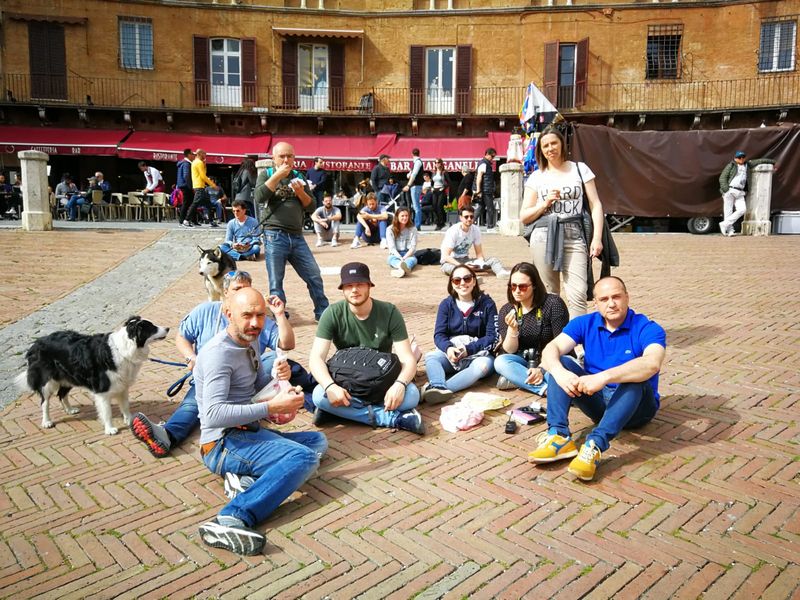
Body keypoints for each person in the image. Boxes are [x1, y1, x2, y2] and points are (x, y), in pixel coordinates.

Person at [195, 287, 327, 555]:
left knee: (317, 440)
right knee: (303, 459)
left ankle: (243, 477)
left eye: (260, 315)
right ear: (228, 313)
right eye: (247, 315)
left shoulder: (249, 341)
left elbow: (252, 391)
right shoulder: (218, 354)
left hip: (248, 432)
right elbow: (213, 414)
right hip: (223, 442)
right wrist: (272, 405)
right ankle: (232, 517)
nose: (255, 323)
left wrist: (279, 380)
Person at [130, 270, 299, 459]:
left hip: (244, 378)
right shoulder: (204, 311)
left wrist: (280, 315)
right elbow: (182, 337)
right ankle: (167, 435)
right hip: (211, 377)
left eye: (246, 289)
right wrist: (191, 358)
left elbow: (286, 345)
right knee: (193, 405)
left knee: (274, 361)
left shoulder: (256, 316)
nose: (242, 293)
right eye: (237, 289)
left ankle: (264, 429)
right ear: (225, 293)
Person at [530, 276, 667, 481]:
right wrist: (559, 372)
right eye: (604, 299)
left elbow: (651, 363)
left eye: (616, 297)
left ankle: (594, 445)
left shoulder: (647, 328)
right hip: (598, 403)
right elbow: (552, 348)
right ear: (596, 303)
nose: (611, 303)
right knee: (564, 363)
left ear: (627, 297)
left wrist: (603, 377)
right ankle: (559, 436)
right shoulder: (585, 323)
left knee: (634, 377)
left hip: (637, 409)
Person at [309, 262, 425, 434]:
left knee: (411, 396)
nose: (354, 290)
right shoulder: (332, 313)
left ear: (369, 285)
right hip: (348, 380)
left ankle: (340, 412)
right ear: (343, 289)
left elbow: (407, 359)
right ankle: (393, 419)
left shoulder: (389, 312)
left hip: (381, 379)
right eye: (349, 286)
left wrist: (399, 384)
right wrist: (331, 387)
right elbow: (316, 358)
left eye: (360, 284)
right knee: (319, 394)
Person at [520, 126, 604, 320]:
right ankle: (552, 339)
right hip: (543, 235)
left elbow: (596, 205)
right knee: (549, 293)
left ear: (562, 144)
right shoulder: (536, 176)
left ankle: (578, 341)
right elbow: (524, 216)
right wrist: (545, 203)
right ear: (540, 150)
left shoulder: (580, 169)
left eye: (554, 143)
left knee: (578, 292)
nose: (550, 148)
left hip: (575, 234)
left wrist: (597, 238)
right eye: (545, 145)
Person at [254, 141, 329, 321]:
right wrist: (277, 177)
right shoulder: (267, 174)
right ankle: (280, 315)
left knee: (314, 275)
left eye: (290, 156)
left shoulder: (299, 176)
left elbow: (311, 206)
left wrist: (300, 192)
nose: (286, 160)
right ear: (274, 158)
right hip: (274, 235)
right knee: (276, 281)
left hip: (296, 236)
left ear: (294, 158)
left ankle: (323, 312)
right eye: (282, 156)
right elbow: (259, 197)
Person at [422, 265, 498, 403]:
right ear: (452, 283)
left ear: (474, 281)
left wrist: (469, 349)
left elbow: (492, 336)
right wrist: (449, 348)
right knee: (431, 357)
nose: (462, 283)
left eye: (467, 279)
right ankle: (437, 384)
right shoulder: (446, 304)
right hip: (453, 355)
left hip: (478, 355)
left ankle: (440, 389)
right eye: (457, 280)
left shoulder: (487, 304)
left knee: (482, 366)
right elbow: (439, 335)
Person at [494, 262, 569, 395]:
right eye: (513, 286)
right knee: (500, 362)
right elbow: (510, 350)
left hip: (553, 360)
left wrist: (542, 369)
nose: (517, 290)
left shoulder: (553, 304)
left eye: (522, 287)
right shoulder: (507, 309)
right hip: (523, 361)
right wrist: (513, 329)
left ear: (534, 285)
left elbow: (562, 344)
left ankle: (520, 380)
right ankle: (545, 390)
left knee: (556, 375)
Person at [440, 206, 510, 278]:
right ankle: (469, 277)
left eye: (471, 217)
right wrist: (462, 266)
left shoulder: (476, 230)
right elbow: (446, 256)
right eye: (466, 217)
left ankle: (501, 273)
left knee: (493, 260)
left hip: (465, 260)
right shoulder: (453, 231)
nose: (469, 219)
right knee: (454, 269)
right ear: (460, 218)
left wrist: (480, 263)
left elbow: (479, 254)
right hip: (451, 262)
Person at [718, 150, 776, 237]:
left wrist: (773, 162)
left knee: (742, 209)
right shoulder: (731, 165)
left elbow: (760, 161)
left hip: (740, 191)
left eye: (743, 157)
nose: (741, 159)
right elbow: (722, 178)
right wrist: (726, 190)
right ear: (735, 158)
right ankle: (730, 231)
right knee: (728, 211)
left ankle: (724, 224)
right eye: (739, 157)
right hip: (730, 190)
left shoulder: (748, 164)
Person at [183, 148, 220, 228]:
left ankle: (211, 221)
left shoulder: (195, 162)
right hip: (199, 186)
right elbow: (203, 176)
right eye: (204, 154)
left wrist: (204, 165)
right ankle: (186, 220)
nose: (205, 156)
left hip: (199, 186)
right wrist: (213, 185)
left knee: (208, 204)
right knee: (195, 203)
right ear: (200, 154)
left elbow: (202, 173)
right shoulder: (199, 163)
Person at [386, 206, 418, 278]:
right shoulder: (390, 229)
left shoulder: (413, 229)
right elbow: (392, 248)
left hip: (408, 254)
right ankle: (402, 268)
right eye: (402, 216)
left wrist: (404, 258)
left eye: (406, 216)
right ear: (397, 216)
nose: (405, 218)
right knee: (390, 259)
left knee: (413, 260)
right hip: (396, 254)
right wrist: (400, 258)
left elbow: (413, 248)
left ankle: (402, 269)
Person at [473, 148, 497, 229]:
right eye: (492, 156)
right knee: (490, 208)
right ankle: (490, 226)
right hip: (485, 190)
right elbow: (479, 177)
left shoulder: (486, 163)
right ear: (487, 154)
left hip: (485, 189)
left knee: (481, 207)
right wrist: (478, 190)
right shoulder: (484, 164)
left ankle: (471, 222)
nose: (493, 158)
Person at [402, 148, 424, 229]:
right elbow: (410, 175)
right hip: (415, 186)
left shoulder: (417, 162)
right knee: (415, 206)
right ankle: (416, 224)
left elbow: (413, 175)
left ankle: (417, 225)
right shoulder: (416, 163)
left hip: (416, 186)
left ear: (412, 154)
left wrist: (408, 185)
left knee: (416, 206)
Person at [176, 149, 195, 224]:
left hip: (183, 185)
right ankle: (182, 220)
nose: (194, 155)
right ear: (189, 155)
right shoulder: (186, 164)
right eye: (192, 154)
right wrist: (191, 186)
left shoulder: (182, 163)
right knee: (187, 203)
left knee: (188, 202)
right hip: (186, 185)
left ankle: (190, 220)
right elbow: (186, 175)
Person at [431, 158, 449, 231]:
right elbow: (432, 182)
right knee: (434, 206)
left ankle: (440, 223)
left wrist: (443, 187)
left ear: (441, 163)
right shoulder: (433, 172)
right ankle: (438, 222)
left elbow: (448, 182)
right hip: (434, 190)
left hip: (441, 190)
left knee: (439, 207)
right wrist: (432, 187)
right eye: (435, 163)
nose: (437, 164)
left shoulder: (444, 172)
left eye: (438, 162)